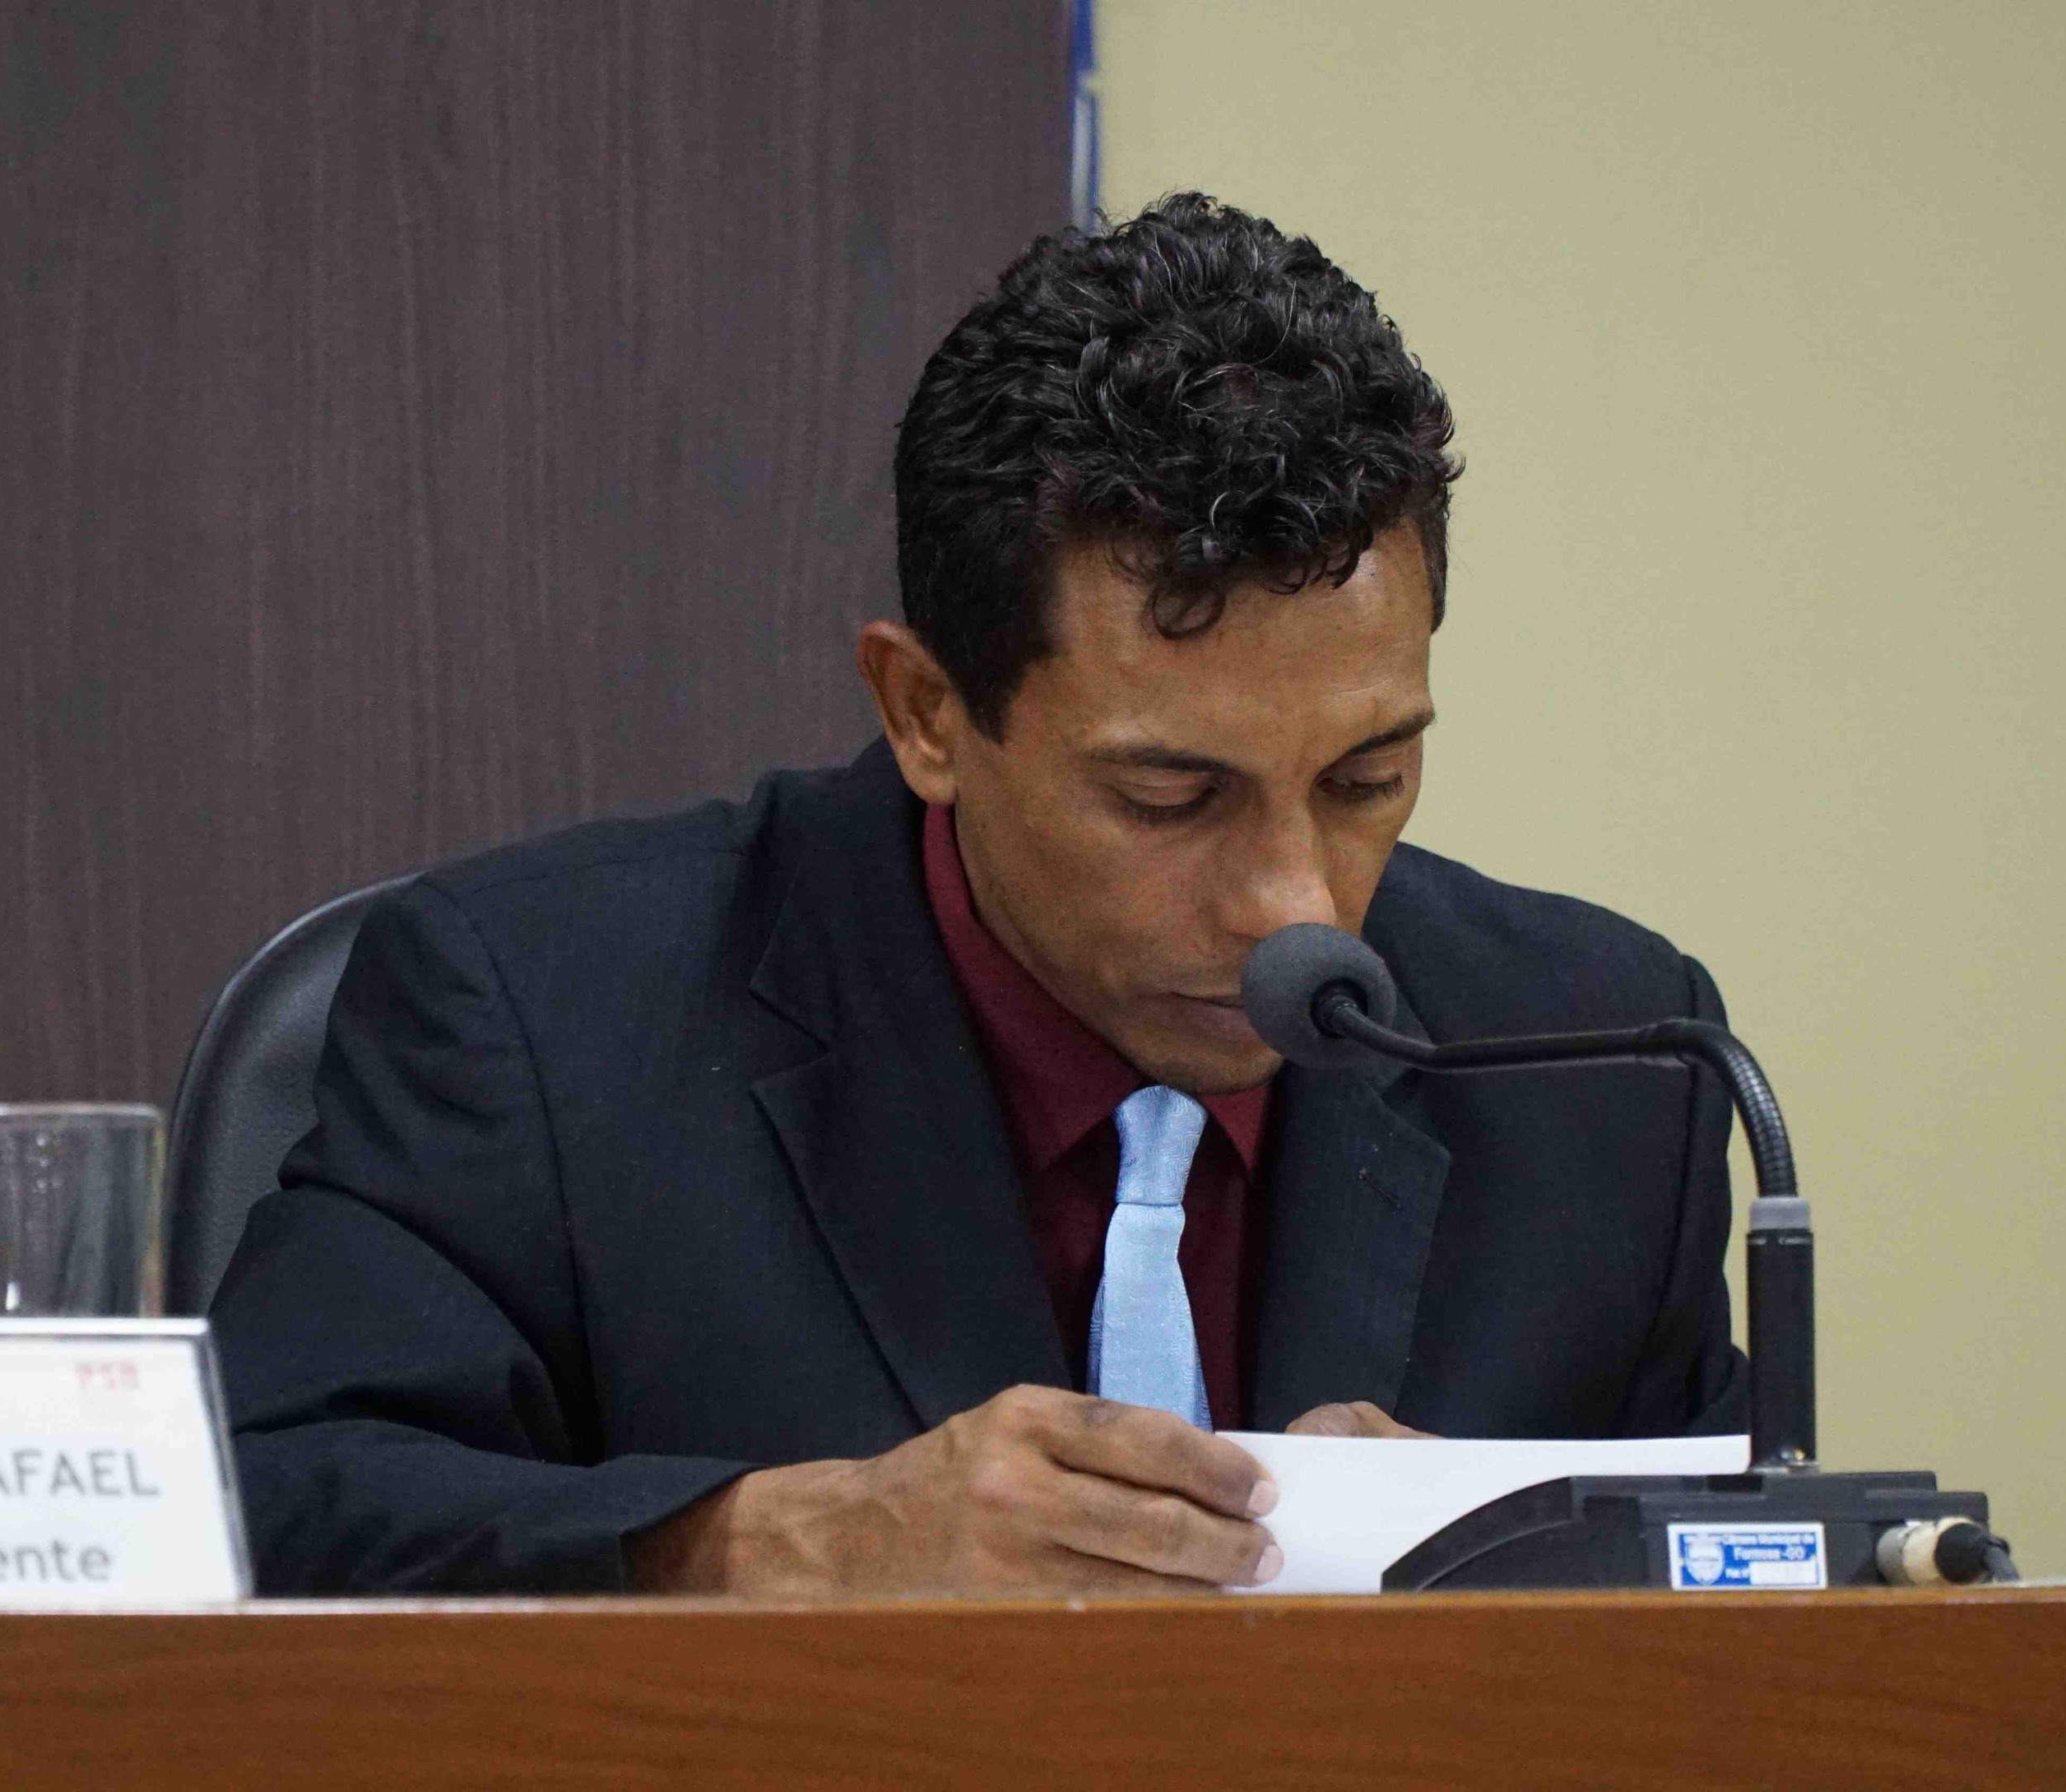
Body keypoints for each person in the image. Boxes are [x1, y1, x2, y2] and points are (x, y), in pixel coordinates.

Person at [213, 193, 1745, 1597]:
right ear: (928, 714)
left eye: (1366, 779)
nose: (1294, 907)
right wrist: (776, 1543)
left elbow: (1774, 1587)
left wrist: (1545, 1567)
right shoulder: (539, 1019)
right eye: (1171, 795)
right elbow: (257, 1506)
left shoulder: (1609, 1064)